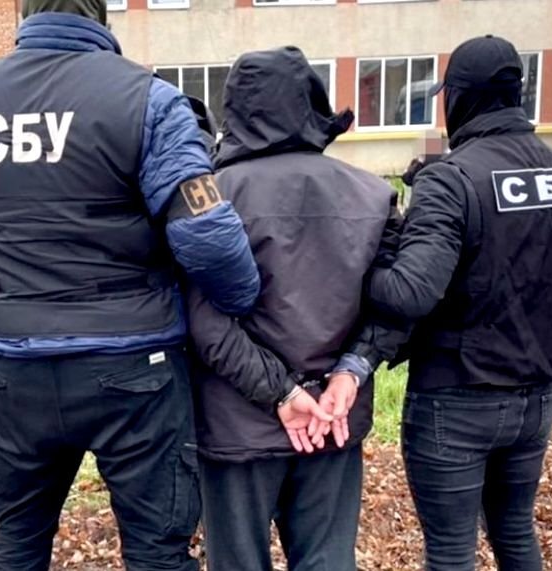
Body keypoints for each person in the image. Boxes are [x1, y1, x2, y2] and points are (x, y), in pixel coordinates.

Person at [0, 0, 260, 568]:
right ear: (100, 16)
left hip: (19, 368)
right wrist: (241, 298)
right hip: (133, 365)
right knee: (157, 553)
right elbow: (205, 232)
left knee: (17, 539)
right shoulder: (148, 101)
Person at [366, 35, 552, 570]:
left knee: (452, 553)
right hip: (536, 398)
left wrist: (366, 261)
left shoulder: (451, 180)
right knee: (515, 532)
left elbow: (409, 292)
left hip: (456, 398)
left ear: (460, 98)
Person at [186, 46, 407, 571]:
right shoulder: (372, 194)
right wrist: (350, 373)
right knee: (327, 561)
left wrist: (283, 393)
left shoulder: (205, 198)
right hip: (333, 416)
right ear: (311, 102)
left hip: (237, 426)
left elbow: (203, 321)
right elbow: (396, 303)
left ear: (235, 108)